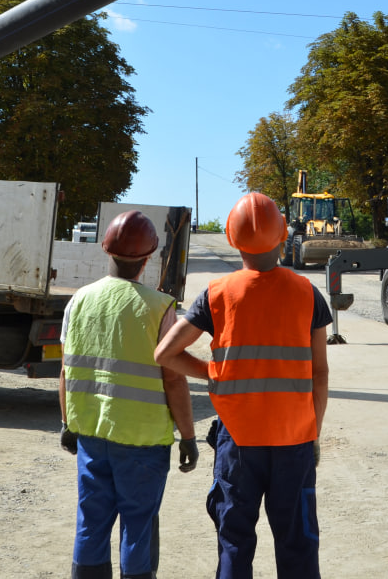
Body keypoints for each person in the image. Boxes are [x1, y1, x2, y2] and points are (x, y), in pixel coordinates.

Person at [154, 192, 331, 579]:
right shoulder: (307, 293)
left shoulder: (217, 294)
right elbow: (320, 373)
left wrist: (214, 373)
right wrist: (312, 433)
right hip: (294, 440)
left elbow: (166, 353)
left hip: (238, 442)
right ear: (283, 237)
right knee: (298, 543)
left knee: (235, 542)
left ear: (233, 241)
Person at [59, 210, 199, 579]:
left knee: (91, 519)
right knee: (138, 525)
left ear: (106, 250)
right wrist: (188, 436)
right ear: (148, 257)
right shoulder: (159, 307)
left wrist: (67, 423)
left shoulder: (79, 301)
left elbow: (66, 370)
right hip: (142, 441)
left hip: (91, 433)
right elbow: (173, 380)